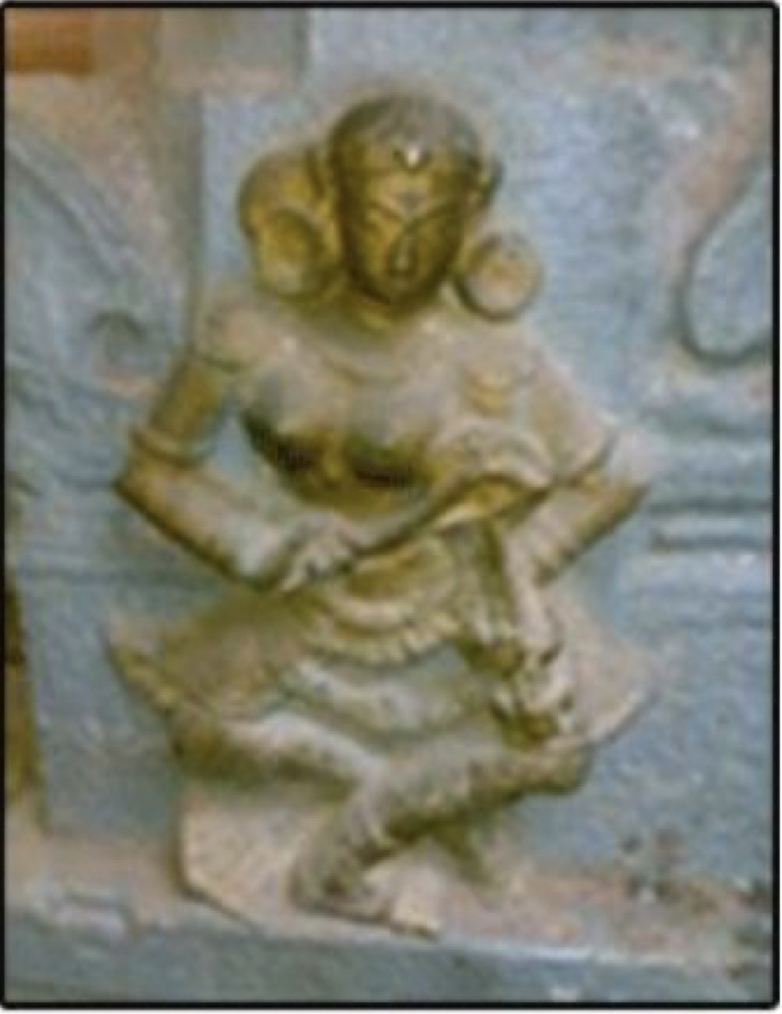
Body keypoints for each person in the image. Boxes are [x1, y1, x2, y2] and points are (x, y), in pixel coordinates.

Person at [110, 92, 649, 928]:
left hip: (446, 607)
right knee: (203, 733)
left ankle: (360, 844)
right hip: (303, 601)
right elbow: (152, 470)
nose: (402, 249)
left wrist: (515, 565)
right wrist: (253, 544)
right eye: (379, 218)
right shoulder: (250, 332)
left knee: (554, 755)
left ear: (468, 228)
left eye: (431, 225)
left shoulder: (490, 358)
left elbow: (619, 476)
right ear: (329, 209)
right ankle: (362, 780)